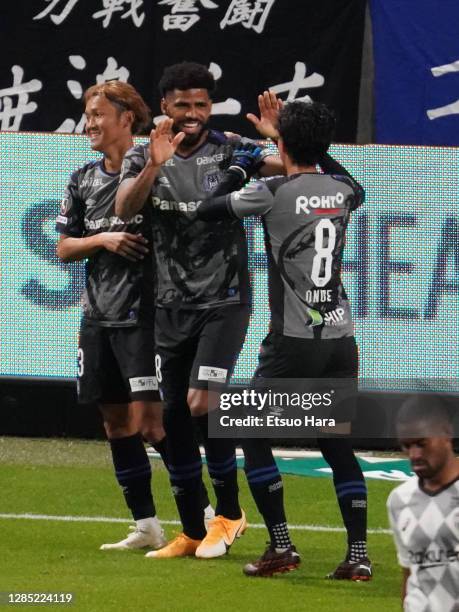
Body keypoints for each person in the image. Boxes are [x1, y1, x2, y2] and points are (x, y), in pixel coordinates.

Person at [115, 62, 285, 560]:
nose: (193, 114)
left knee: (202, 403)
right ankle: (191, 529)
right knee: (171, 415)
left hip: (225, 301)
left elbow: (295, 168)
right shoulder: (145, 155)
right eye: (183, 105)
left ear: (210, 107)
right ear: (164, 106)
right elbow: (125, 208)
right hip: (170, 305)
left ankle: (230, 516)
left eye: (201, 105)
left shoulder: (232, 148)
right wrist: (153, 164)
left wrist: (276, 140)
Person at [197, 99, 371, 579]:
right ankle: (358, 556)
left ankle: (281, 546)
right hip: (341, 338)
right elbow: (352, 183)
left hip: (291, 339)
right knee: (336, 444)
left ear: (282, 145)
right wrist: (285, 139)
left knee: (249, 431)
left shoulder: (271, 190)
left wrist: (238, 168)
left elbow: (207, 211)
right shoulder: (342, 190)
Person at [55, 81, 213, 552]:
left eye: (98, 113)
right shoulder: (82, 178)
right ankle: (146, 525)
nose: (90, 123)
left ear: (126, 118)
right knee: (115, 423)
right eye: (87, 113)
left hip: (146, 314)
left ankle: (207, 511)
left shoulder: (155, 162)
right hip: (97, 317)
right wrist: (102, 240)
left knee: (152, 423)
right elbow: (64, 248)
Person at [387, 395, 459, 612]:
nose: (414, 455)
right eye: (406, 446)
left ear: (447, 433)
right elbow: (409, 575)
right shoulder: (399, 500)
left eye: (422, 444)